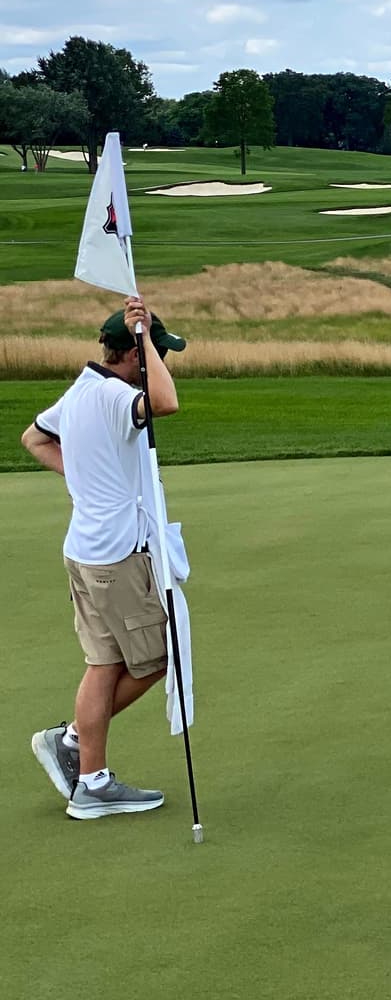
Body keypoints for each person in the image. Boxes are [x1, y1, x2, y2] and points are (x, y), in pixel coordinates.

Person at [21, 296, 186, 820]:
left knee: (105, 662)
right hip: (117, 556)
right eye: (160, 353)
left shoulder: (81, 389)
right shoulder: (116, 395)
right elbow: (165, 403)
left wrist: (85, 481)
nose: (164, 361)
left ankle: (90, 777)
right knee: (162, 656)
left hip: (84, 550)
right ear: (136, 356)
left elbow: (34, 437)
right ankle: (74, 742)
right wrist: (145, 341)